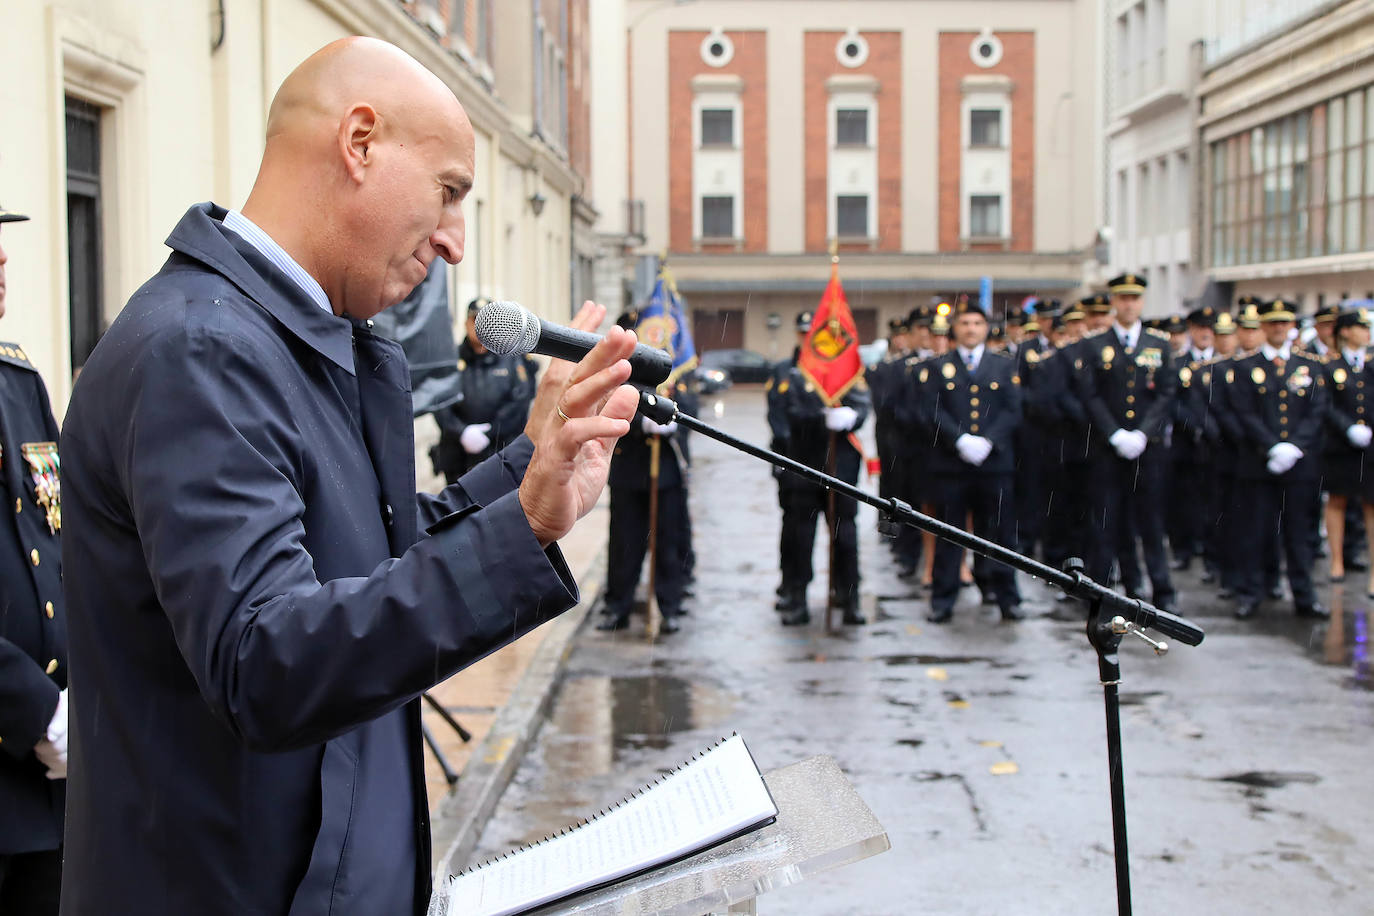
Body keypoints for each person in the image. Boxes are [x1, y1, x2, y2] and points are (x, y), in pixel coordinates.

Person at [57, 38, 640, 916]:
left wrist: (530, 474)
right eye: (448, 192)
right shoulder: (203, 350)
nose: (452, 242)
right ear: (359, 142)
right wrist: (516, 528)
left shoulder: (295, 335)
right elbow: (267, 660)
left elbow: (368, 558)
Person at [0, 204, 67, 916]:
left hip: (49, 779)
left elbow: (60, 548)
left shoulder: (17, 383)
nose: (2, 262)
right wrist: (37, 711)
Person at [1075, 273, 1179, 613]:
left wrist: (1143, 433)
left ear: (1142, 302)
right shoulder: (1094, 345)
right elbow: (1090, 396)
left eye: (1134, 298)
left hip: (1147, 451)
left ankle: (1162, 593)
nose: (1129, 304)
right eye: (1122, 298)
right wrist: (1114, 432)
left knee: (1151, 524)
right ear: (1114, 303)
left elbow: (1165, 394)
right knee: (1105, 522)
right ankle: (1102, 594)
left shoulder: (1158, 344)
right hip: (1108, 448)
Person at [921, 300, 1024, 623]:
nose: (970, 329)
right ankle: (943, 598)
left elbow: (1013, 410)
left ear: (986, 329)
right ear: (955, 329)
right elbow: (932, 410)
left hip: (994, 464)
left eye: (977, 324)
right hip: (953, 464)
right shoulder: (939, 366)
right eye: (964, 324)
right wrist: (960, 439)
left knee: (1000, 533)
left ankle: (1006, 596)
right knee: (951, 533)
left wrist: (988, 440)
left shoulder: (1004, 365)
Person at [1228, 298, 1330, 620]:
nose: (1278, 328)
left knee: (1300, 535)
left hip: (1300, 464)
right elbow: (1244, 413)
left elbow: (1316, 411)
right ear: (1263, 327)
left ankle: (1305, 596)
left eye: (1283, 323)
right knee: (1256, 532)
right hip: (1260, 463)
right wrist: (1272, 447)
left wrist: (1294, 447)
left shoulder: (1310, 365)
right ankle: (1251, 592)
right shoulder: (1245, 367)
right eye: (1272, 323)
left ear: (1291, 327)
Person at [777, 356, 871, 626]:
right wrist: (822, 418)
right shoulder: (797, 376)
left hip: (840, 471)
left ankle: (849, 598)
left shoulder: (849, 375)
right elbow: (792, 413)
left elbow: (862, 407)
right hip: (805, 468)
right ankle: (798, 599)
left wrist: (853, 417)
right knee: (801, 540)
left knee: (846, 539)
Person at [430, 297, 537, 485]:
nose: (478, 327)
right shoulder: (450, 359)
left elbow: (520, 400)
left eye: (484, 321)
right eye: (475, 320)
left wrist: (489, 433)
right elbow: (439, 400)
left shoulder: (511, 358)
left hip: (501, 453)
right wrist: (462, 432)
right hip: (458, 457)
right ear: (466, 323)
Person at [1320, 307, 1374, 587]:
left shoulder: (1371, 364)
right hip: (1341, 445)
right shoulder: (1331, 366)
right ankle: (1337, 560)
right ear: (1345, 331)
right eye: (1360, 326)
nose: (1366, 332)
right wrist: (1347, 427)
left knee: (1371, 504)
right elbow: (1326, 405)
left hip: (1371, 446)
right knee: (1338, 500)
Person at [768, 310, 812, 614]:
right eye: (804, 332)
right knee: (794, 530)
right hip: (791, 459)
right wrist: (786, 442)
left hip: (822, 463)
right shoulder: (783, 369)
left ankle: (843, 592)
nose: (807, 338)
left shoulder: (828, 371)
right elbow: (776, 413)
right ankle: (791, 585)